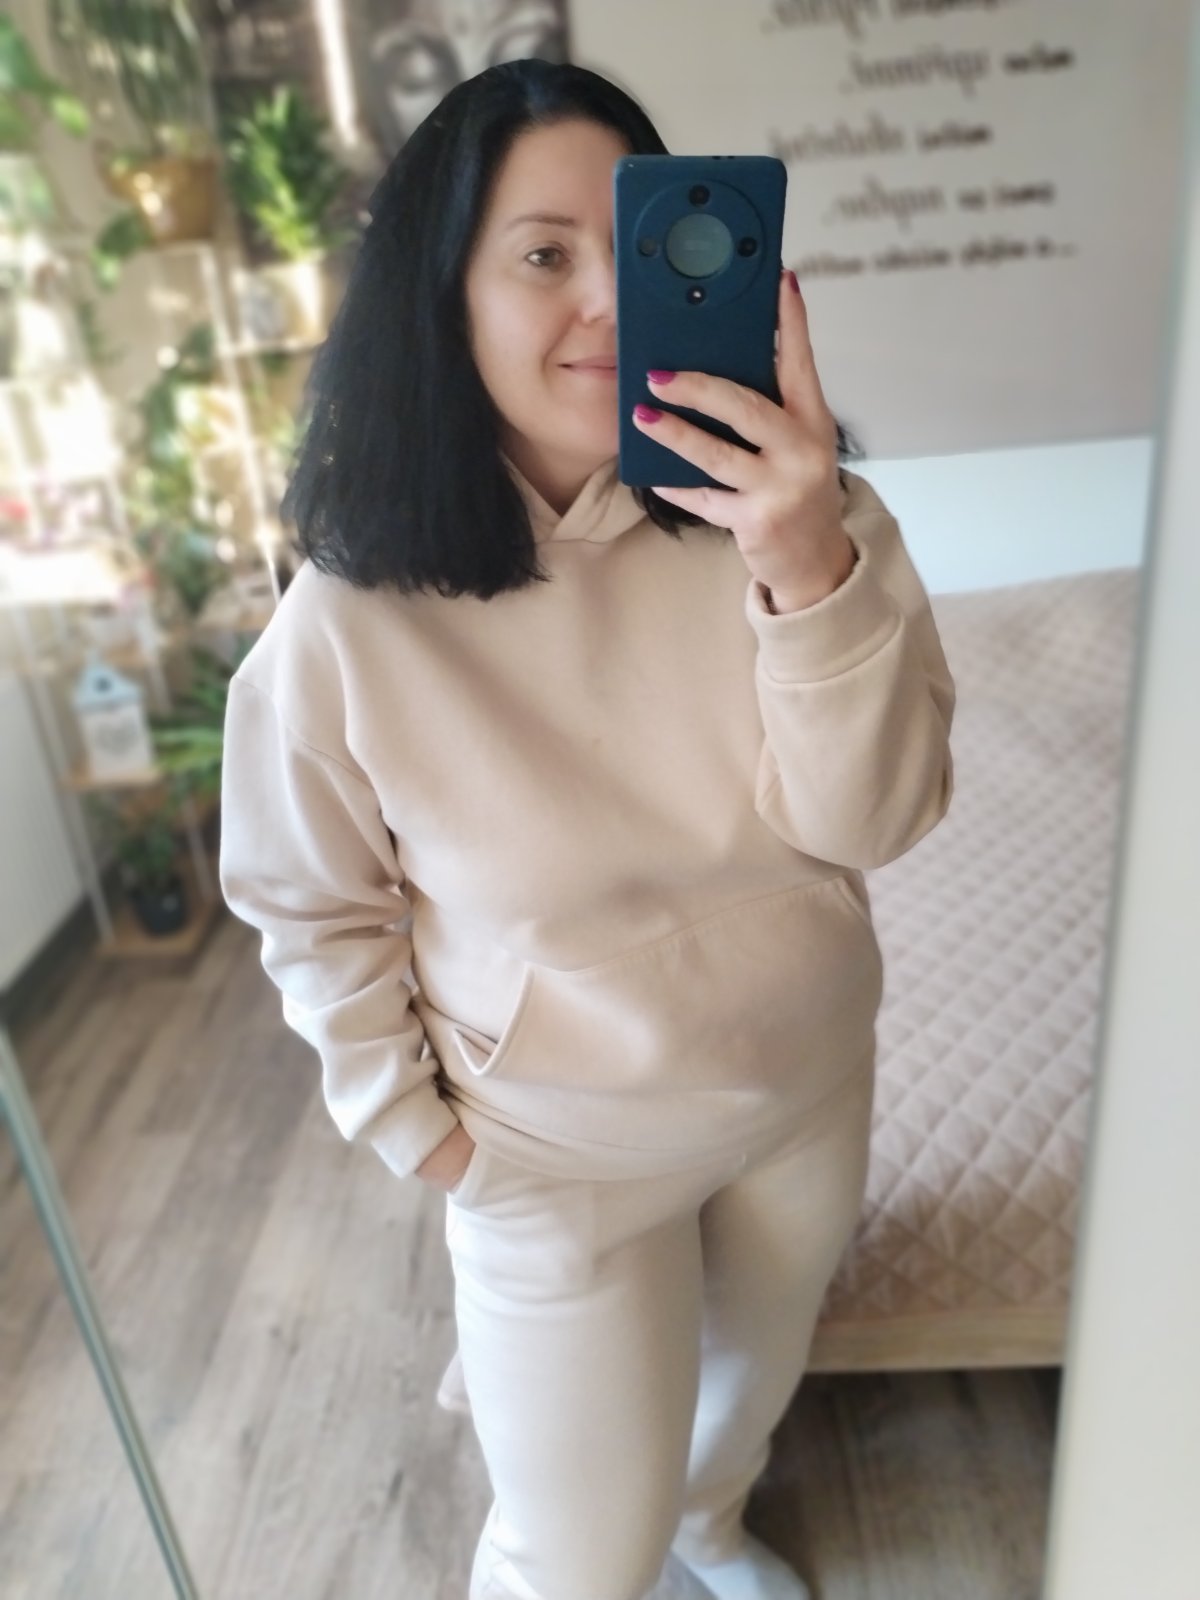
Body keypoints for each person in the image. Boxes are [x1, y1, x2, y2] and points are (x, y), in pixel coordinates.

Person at [219, 58, 955, 1600]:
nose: (609, 300)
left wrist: (804, 565)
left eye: (639, 242)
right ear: (446, 294)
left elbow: (878, 818)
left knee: (743, 1396)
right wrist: (419, 1133)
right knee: (572, 1555)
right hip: (556, 1155)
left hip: (804, 1083)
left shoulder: (804, 522)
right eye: (544, 254)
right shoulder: (346, 624)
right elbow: (309, 904)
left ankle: (711, 1524)